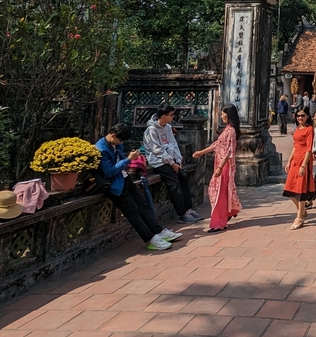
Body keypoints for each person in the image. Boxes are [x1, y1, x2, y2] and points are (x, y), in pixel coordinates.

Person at [97, 123, 181, 251]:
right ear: (113, 135)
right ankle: (150, 238)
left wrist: (130, 159)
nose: (120, 143)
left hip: (125, 178)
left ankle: (158, 231)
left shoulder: (117, 144)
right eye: (120, 140)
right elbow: (109, 171)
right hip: (114, 185)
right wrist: (128, 160)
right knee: (132, 212)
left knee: (143, 205)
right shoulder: (101, 149)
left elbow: (120, 159)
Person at [143, 106, 201, 223]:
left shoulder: (168, 127)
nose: (173, 117)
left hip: (172, 160)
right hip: (158, 161)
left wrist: (178, 160)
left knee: (183, 178)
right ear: (163, 116)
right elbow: (157, 150)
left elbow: (173, 144)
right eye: (171, 115)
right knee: (174, 183)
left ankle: (189, 209)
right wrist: (171, 163)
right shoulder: (151, 130)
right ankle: (182, 214)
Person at [192, 105, 243, 232]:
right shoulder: (227, 129)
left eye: (222, 114)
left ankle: (219, 222)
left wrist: (220, 167)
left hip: (224, 166)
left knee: (217, 192)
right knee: (219, 191)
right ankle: (227, 213)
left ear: (228, 115)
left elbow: (230, 151)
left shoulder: (231, 131)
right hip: (220, 164)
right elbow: (217, 145)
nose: (221, 116)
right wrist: (201, 152)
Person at [283, 109, 315, 229]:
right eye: (298, 116)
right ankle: (302, 211)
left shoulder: (309, 129)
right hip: (295, 160)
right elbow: (295, 146)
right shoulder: (297, 128)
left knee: (301, 190)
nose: (300, 118)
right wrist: (289, 161)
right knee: (290, 189)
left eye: (302, 115)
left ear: (307, 116)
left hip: (304, 160)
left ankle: (299, 218)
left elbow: (309, 148)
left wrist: (303, 165)